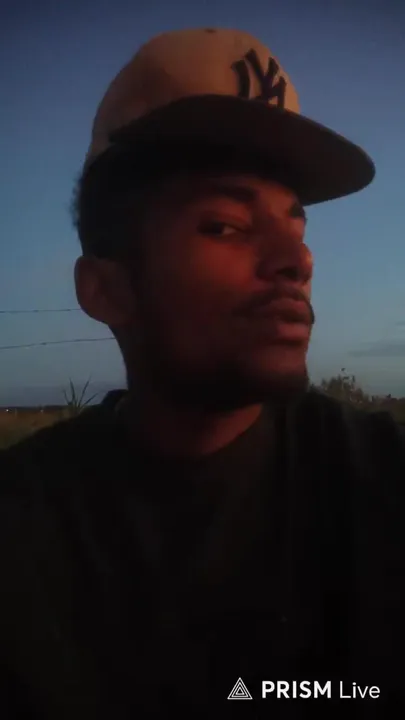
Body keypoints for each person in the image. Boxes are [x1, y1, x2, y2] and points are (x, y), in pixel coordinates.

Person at [0, 26, 403, 720]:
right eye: (224, 226)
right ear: (106, 289)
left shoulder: (381, 484)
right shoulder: (23, 528)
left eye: (297, 227)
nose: (296, 261)